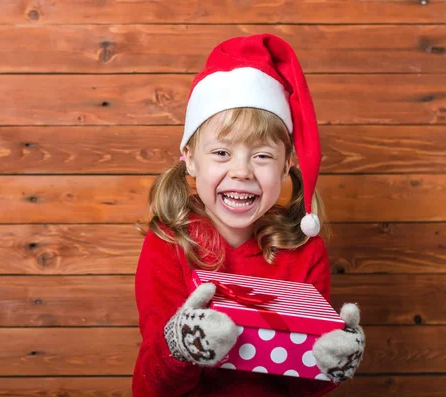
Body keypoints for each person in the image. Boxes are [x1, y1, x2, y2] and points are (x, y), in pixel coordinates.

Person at [132, 34, 366, 396]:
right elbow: (151, 387)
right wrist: (181, 344)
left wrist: (328, 364)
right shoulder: (169, 244)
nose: (242, 171)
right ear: (190, 158)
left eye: (262, 156)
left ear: (287, 164)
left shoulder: (306, 251)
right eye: (222, 153)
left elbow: (300, 387)